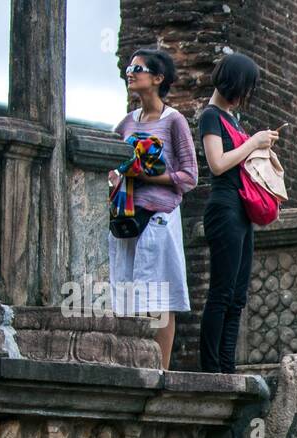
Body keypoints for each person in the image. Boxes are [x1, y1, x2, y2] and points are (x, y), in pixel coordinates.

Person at [108, 49, 196, 369]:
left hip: (159, 218)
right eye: (129, 68)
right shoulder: (127, 122)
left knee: (159, 298)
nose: (130, 73)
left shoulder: (174, 121)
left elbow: (189, 176)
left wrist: (147, 174)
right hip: (128, 218)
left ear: (158, 78)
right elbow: (111, 161)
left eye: (138, 68)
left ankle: (161, 368)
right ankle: (130, 364)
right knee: (125, 294)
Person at [196, 52, 278, 373]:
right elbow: (218, 164)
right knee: (221, 291)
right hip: (224, 208)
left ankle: (227, 366)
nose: (246, 96)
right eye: (246, 88)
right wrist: (252, 143)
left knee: (237, 296)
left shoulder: (233, 119)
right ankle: (212, 368)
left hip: (241, 211)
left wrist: (262, 147)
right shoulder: (211, 116)